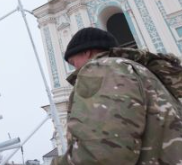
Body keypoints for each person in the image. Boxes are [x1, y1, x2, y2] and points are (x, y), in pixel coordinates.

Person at [54, 27, 182, 165]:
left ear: (87, 52)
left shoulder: (102, 69)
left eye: (74, 62)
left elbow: (102, 152)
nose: (76, 69)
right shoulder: (146, 75)